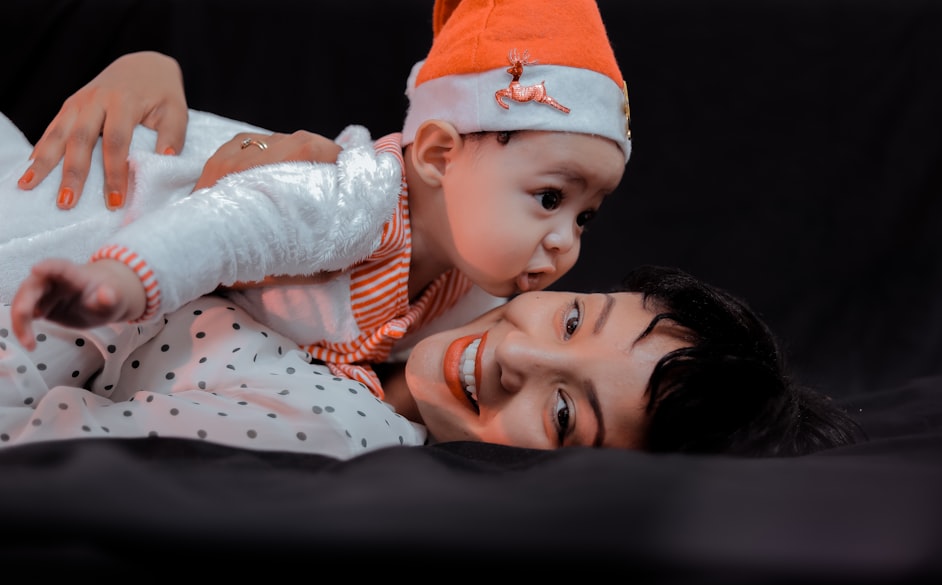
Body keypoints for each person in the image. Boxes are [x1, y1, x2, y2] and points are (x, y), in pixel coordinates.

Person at [1, 0, 632, 399]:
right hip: (117, 214)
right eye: (549, 197)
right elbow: (230, 228)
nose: (564, 240)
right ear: (439, 155)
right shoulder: (357, 199)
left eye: (585, 216)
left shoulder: (470, 293)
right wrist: (119, 281)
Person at [0, 263, 863, 457]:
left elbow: (47, 434)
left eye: (565, 415)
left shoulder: (334, 428)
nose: (512, 352)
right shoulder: (414, 283)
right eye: (570, 318)